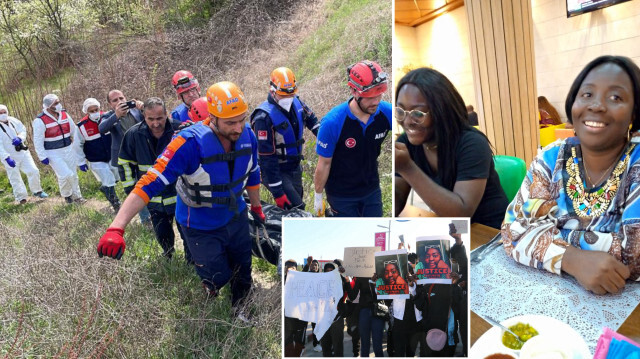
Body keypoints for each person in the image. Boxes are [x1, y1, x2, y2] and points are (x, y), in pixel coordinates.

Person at [97, 81, 266, 321]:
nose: (238, 127)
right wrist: (117, 227)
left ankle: (240, 309)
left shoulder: (247, 134)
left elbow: (253, 172)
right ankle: (211, 284)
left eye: (241, 119)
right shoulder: (189, 143)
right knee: (218, 274)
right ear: (213, 118)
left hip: (235, 214)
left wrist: (257, 208)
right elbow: (149, 182)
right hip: (200, 223)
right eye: (231, 122)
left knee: (243, 266)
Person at [502, 55, 640, 295]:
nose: (596, 105)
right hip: (551, 293)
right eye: (587, 94)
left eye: (616, 97)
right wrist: (570, 259)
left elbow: (633, 258)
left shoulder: (636, 163)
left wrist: (549, 236)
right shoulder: (552, 157)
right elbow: (513, 229)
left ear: (633, 115)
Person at [394, 68, 508, 228]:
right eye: (400, 111)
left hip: (491, 232)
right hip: (454, 231)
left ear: (442, 110)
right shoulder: (407, 143)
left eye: (418, 114)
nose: (407, 121)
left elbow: (462, 213)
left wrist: (407, 168)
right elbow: (396, 202)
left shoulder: (472, 143)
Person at [314, 60, 391, 217]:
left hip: (371, 189)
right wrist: (318, 196)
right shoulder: (333, 123)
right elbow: (324, 163)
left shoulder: (386, 114)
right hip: (341, 196)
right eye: (370, 97)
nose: (376, 101)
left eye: (379, 95)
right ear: (354, 92)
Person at [118, 97, 190, 260]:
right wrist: (132, 192)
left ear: (166, 114)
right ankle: (168, 257)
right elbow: (124, 164)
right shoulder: (133, 135)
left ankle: (191, 261)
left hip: (181, 197)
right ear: (144, 116)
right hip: (154, 199)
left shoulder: (180, 130)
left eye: (160, 118)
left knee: (187, 233)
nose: (156, 123)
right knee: (162, 234)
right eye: (151, 119)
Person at [251, 67, 319, 210]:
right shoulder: (263, 118)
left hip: (294, 166)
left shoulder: (297, 103)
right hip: (275, 170)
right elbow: (267, 158)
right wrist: (277, 192)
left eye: (291, 95)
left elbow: (314, 122)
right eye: (283, 96)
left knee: (296, 206)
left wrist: (327, 140)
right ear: (272, 91)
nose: (288, 99)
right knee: (297, 207)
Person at [99, 89, 150, 223]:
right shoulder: (108, 116)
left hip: (143, 154)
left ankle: (155, 213)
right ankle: (146, 219)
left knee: (148, 183)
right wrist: (116, 115)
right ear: (110, 104)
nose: (120, 101)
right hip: (124, 159)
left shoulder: (135, 111)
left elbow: (153, 121)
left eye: (121, 98)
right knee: (133, 189)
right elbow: (102, 129)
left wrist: (144, 108)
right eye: (115, 100)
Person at [32, 94, 84, 203]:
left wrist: (78, 144)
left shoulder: (64, 114)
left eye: (58, 102)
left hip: (68, 149)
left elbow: (73, 130)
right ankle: (68, 195)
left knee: (73, 174)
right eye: (55, 103)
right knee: (66, 174)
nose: (58, 105)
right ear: (48, 106)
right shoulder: (40, 120)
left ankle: (75, 197)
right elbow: (38, 140)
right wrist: (42, 156)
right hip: (53, 152)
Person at [73, 98, 120, 211]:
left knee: (116, 177)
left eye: (96, 109)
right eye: (91, 111)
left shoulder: (108, 118)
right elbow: (77, 145)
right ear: (86, 112)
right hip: (96, 159)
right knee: (108, 178)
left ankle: (105, 188)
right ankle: (116, 204)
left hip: (112, 155)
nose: (95, 112)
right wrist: (81, 162)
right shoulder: (81, 126)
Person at [0, 104, 48, 203]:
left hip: (22, 151)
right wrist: (6, 157)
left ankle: (37, 191)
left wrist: (20, 138)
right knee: (15, 176)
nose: (3, 114)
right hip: (9, 156)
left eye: (4, 112)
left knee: (33, 171)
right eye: (0, 113)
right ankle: (21, 197)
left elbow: (22, 130)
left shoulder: (13, 120)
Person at [346, 275, 385, 357]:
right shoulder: (361, 276)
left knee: (377, 346)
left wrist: (376, 285)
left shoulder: (382, 273)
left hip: (379, 311)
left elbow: (386, 295)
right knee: (364, 345)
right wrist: (347, 283)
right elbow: (352, 296)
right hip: (364, 311)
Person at [284, 259, 307, 356]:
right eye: (287, 268)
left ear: (296, 269)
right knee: (288, 341)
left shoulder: (303, 281)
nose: (289, 270)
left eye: (292, 268)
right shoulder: (283, 280)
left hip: (300, 318)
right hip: (288, 319)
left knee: (299, 342)